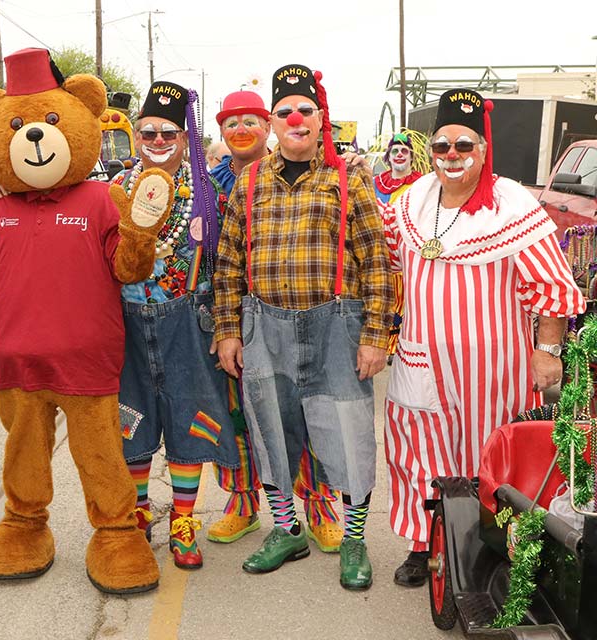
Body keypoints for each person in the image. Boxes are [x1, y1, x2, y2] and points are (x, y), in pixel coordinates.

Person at [382, 89, 585, 587]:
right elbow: (386, 263)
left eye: (463, 146)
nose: (451, 156)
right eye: (442, 146)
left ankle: (495, 545)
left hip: (495, 370)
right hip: (420, 359)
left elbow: (553, 287)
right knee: (419, 452)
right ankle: (422, 544)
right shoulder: (409, 202)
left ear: (482, 149)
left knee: (492, 456)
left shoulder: (512, 206)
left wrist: (547, 351)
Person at [214, 64, 392, 590]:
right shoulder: (247, 183)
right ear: (273, 121)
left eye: (305, 110)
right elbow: (226, 265)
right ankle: (287, 530)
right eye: (285, 111)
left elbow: (376, 262)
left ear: (320, 120)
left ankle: (355, 540)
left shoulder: (349, 180)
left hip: (335, 326)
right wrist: (227, 331)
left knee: (348, 438)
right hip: (262, 327)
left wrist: (376, 336)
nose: (295, 118)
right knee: (270, 432)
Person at [114, 81, 241, 570]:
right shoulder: (114, 191)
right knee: (132, 420)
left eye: (169, 131)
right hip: (126, 322)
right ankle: (139, 512)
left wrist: (226, 326)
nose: (159, 140)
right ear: (135, 133)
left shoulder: (208, 193)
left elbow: (228, 264)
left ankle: (184, 521)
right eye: (149, 131)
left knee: (190, 420)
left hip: (188, 322)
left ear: (184, 138)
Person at [374, 132, 424, 358]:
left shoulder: (422, 184)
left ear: (411, 157)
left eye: (405, 151)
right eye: (395, 150)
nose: (400, 155)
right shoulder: (376, 183)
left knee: (406, 304)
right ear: (388, 156)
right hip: (378, 255)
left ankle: (400, 346)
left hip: (408, 257)